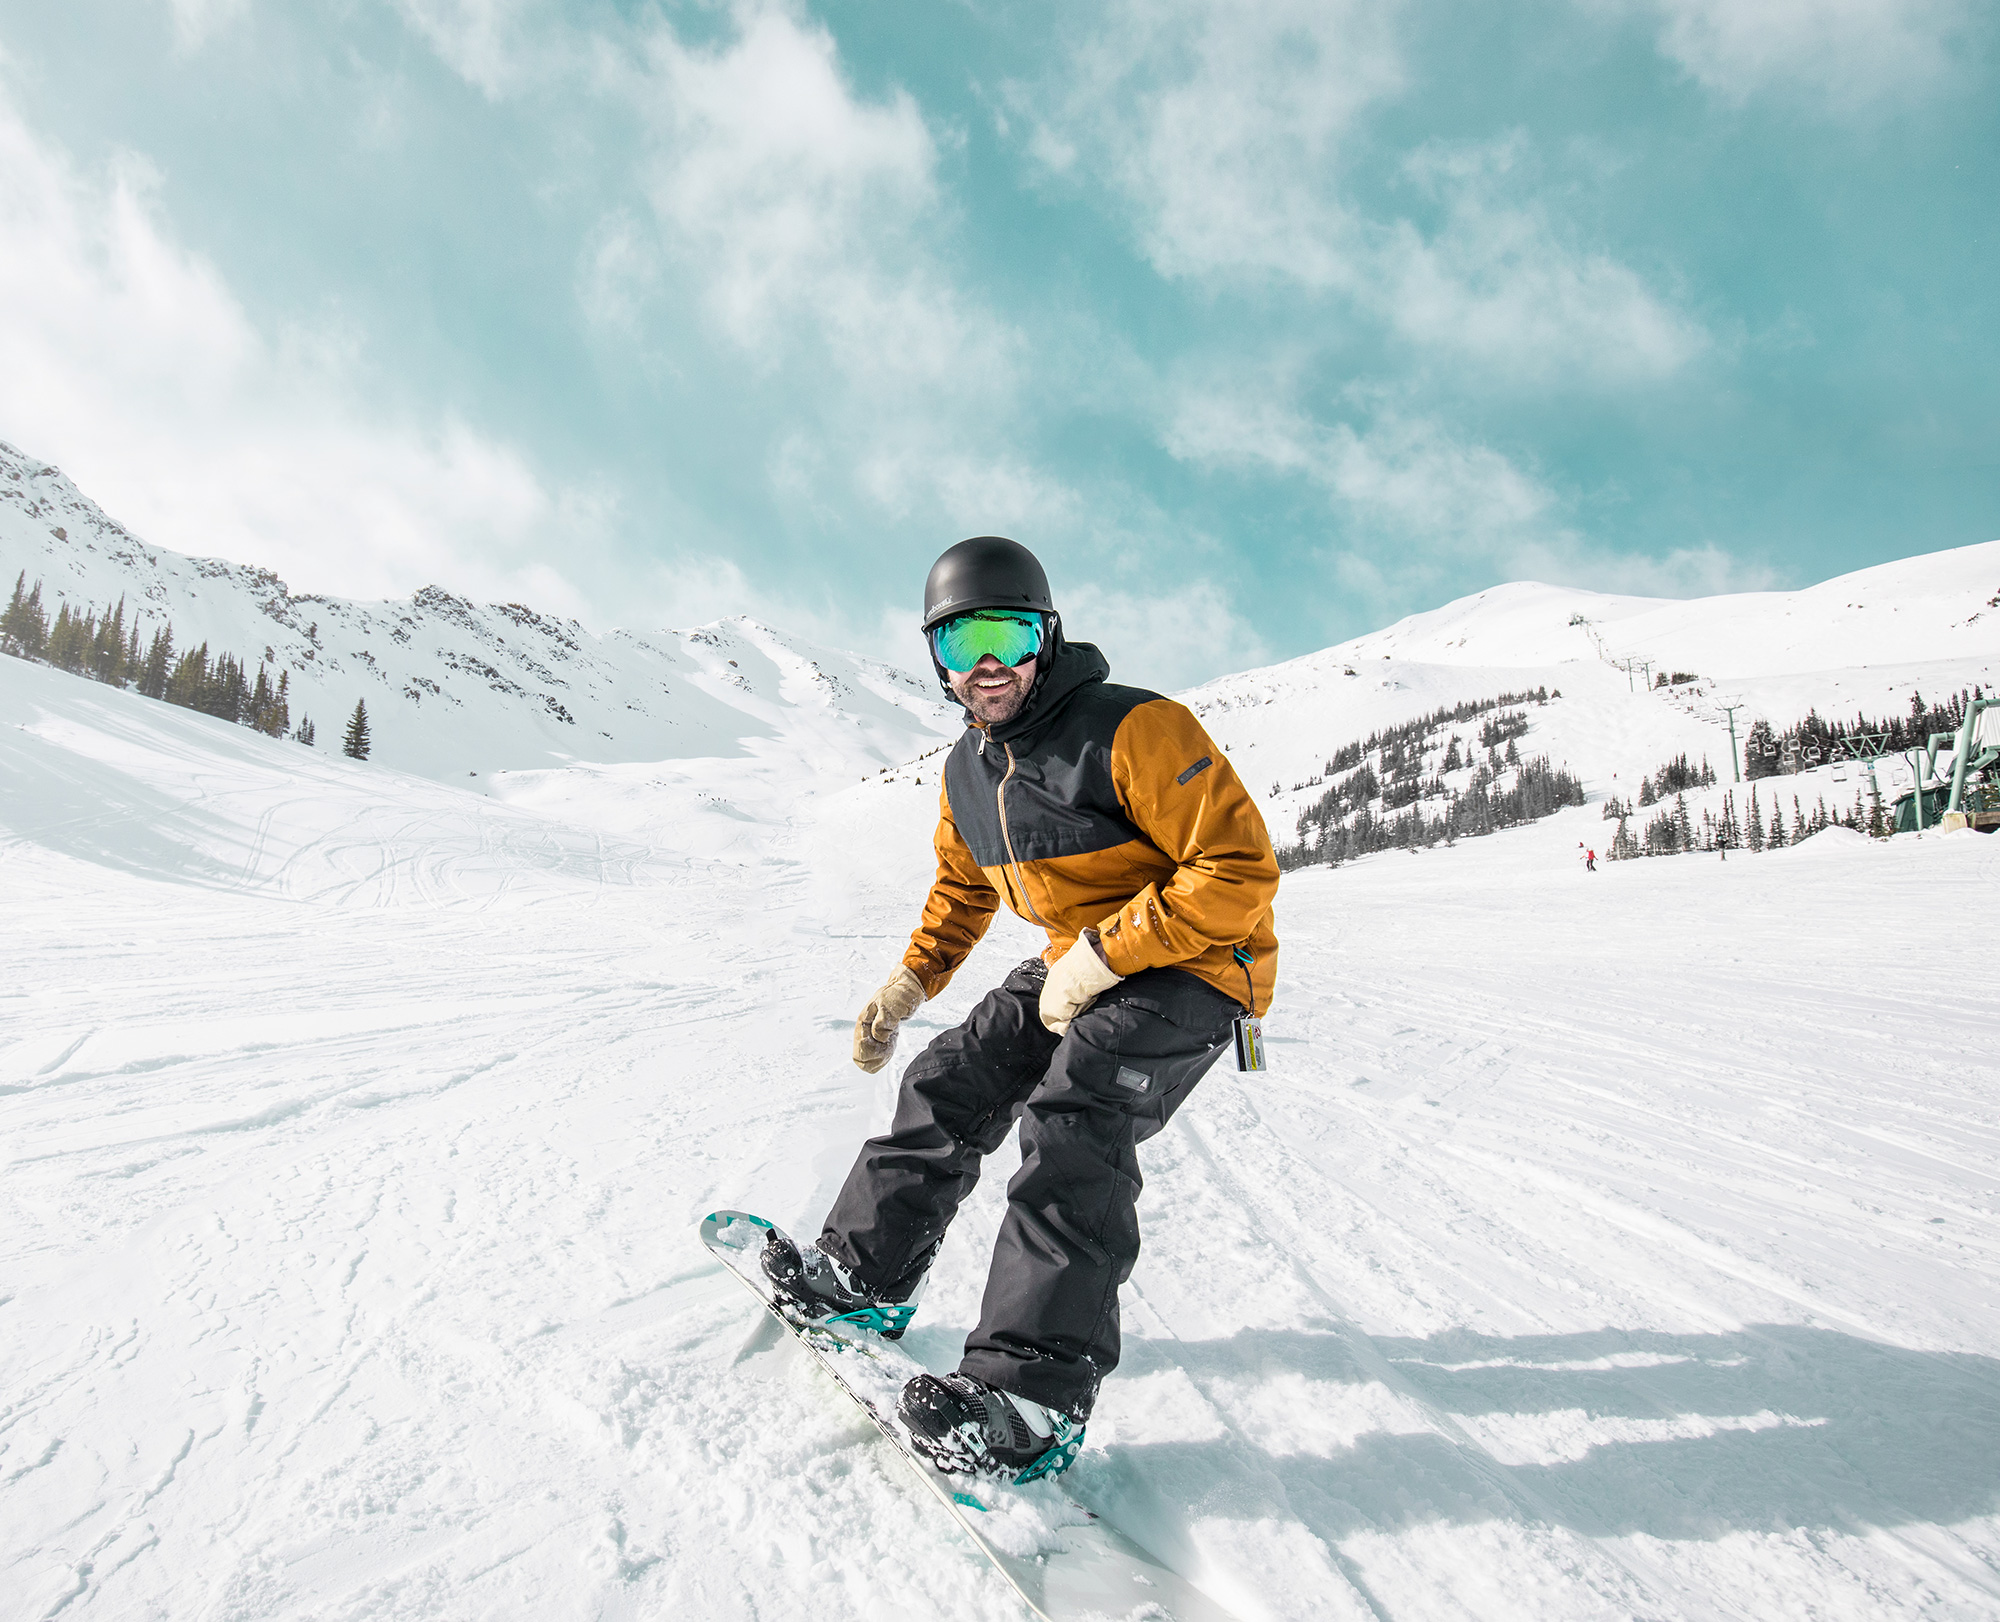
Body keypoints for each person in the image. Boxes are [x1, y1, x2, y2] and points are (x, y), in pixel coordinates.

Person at [760, 536, 1280, 1479]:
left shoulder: (1136, 728)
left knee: (1077, 1114)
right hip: (1074, 962)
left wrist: (1107, 954)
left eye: (1007, 635)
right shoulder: (966, 771)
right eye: (962, 644)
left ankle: (1031, 1400)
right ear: (937, 660)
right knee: (950, 1079)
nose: (987, 664)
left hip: (1201, 966)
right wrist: (911, 983)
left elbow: (1238, 873)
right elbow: (961, 892)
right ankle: (861, 1276)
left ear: (1047, 635)